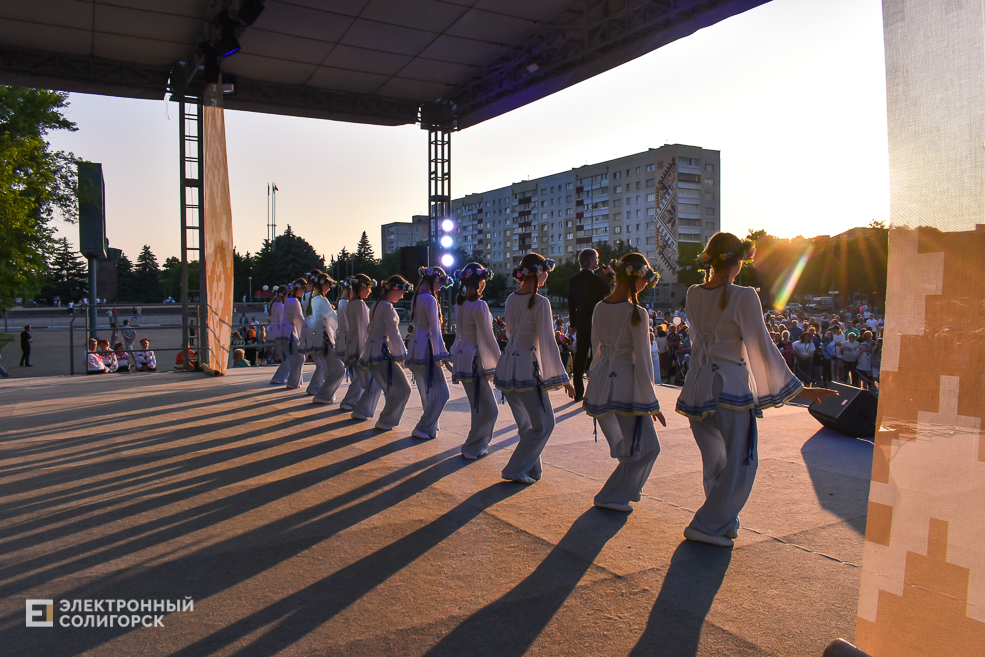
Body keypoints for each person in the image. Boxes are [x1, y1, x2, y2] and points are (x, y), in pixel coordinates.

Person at [676, 232, 834, 547]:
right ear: (740, 260)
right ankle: (708, 524)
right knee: (743, 460)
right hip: (730, 388)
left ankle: (724, 520)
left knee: (716, 460)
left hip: (697, 387)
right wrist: (799, 390)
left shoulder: (693, 293)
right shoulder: (745, 295)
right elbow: (762, 347)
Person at [583, 254, 666, 512]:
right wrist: (651, 402)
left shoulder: (600, 307)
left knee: (637, 446)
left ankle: (628, 490)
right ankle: (614, 494)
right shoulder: (636, 313)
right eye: (645, 279)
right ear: (637, 276)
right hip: (628, 386)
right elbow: (643, 361)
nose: (645, 285)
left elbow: (596, 350)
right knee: (648, 447)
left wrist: (595, 382)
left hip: (603, 381)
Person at [494, 253, 575, 484]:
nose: (547, 275)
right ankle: (514, 469)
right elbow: (548, 341)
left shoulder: (511, 299)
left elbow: (510, 335)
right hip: (525, 369)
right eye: (546, 271)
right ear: (539, 272)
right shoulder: (540, 302)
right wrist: (563, 378)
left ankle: (532, 468)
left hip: (507, 365)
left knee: (527, 424)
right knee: (545, 423)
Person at [450, 264, 502, 459]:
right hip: (474, 359)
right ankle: (475, 445)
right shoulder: (479, 305)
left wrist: (452, 353)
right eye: (483, 283)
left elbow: (460, 334)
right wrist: (500, 361)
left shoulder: (460, 303)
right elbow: (488, 337)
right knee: (489, 409)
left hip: (463, 357)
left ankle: (473, 444)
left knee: (477, 406)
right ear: (479, 283)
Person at [353, 276, 413, 428]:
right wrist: (403, 355)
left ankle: (377, 416)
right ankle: (386, 420)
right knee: (403, 388)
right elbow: (394, 333)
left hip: (372, 354)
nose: (402, 295)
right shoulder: (386, 307)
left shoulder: (376, 305)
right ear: (394, 289)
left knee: (390, 389)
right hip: (382, 353)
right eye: (402, 291)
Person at [406, 266, 454, 440]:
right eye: (440, 283)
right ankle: (423, 427)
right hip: (426, 347)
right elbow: (435, 330)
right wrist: (445, 358)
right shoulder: (429, 300)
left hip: (416, 346)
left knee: (428, 393)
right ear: (433, 280)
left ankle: (430, 427)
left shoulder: (416, 298)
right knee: (442, 393)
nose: (441, 287)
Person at [567, 248, 610, 401]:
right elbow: (611, 294)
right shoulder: (599, 280)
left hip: (582, 321)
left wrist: (573, 323)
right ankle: (599, 390)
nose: (598, 261)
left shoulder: (573, 280)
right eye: (596, 259)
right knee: (601, 354)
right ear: (591, 261)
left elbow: (571, 304)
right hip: (598, 322)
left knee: (580, 356)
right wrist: (610, 275)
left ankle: (579, 392)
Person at [306, 273, 344, 404]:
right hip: (324, 339)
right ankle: (323, 395)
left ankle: (322, 393)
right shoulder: (322, 300)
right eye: (328, 284)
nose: (329, 287)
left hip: (317, 338)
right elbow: (333, 320)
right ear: (322, 284)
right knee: (339, 369)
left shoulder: (313, 299)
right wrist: (344, 331)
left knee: (329, 368)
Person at [340, 274, 376, 411]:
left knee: (359, 379)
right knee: (367, 380)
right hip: (359, 346)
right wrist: (365, 352)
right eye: (368, 288)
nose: (370, 291)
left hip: (351, 343)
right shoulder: (360, 304)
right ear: (361, 287)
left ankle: (350, 401)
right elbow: (363, 329)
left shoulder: (350, 304)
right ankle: (355, 404)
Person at [284, 278, 307, 389]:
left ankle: (295, 381)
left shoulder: (289, 300)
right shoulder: (295, 301)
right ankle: (294, 382)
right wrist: (306, 329)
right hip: (290, 331)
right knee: (299, 358)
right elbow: (299, 318)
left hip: (286, 329)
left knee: (296, 358)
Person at [267, 286, 292, 385]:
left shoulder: (274, 304)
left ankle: (283, 376)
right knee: (287, 357)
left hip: (273, 331)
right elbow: (283, 321)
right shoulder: (281, 306)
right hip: (279, 332)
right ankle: (279, 377)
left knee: (285, 357)